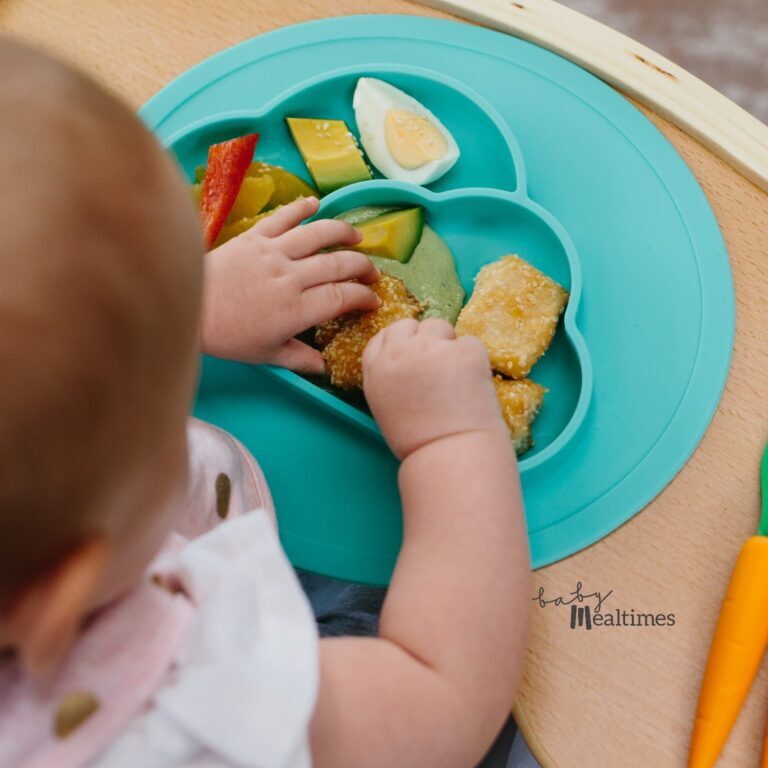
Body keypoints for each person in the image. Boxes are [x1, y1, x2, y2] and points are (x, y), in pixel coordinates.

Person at [0, 38, 531, 768]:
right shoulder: (194, 709)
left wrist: (186, 310)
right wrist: (453, 444)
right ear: (62, 594)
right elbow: (445, 699)